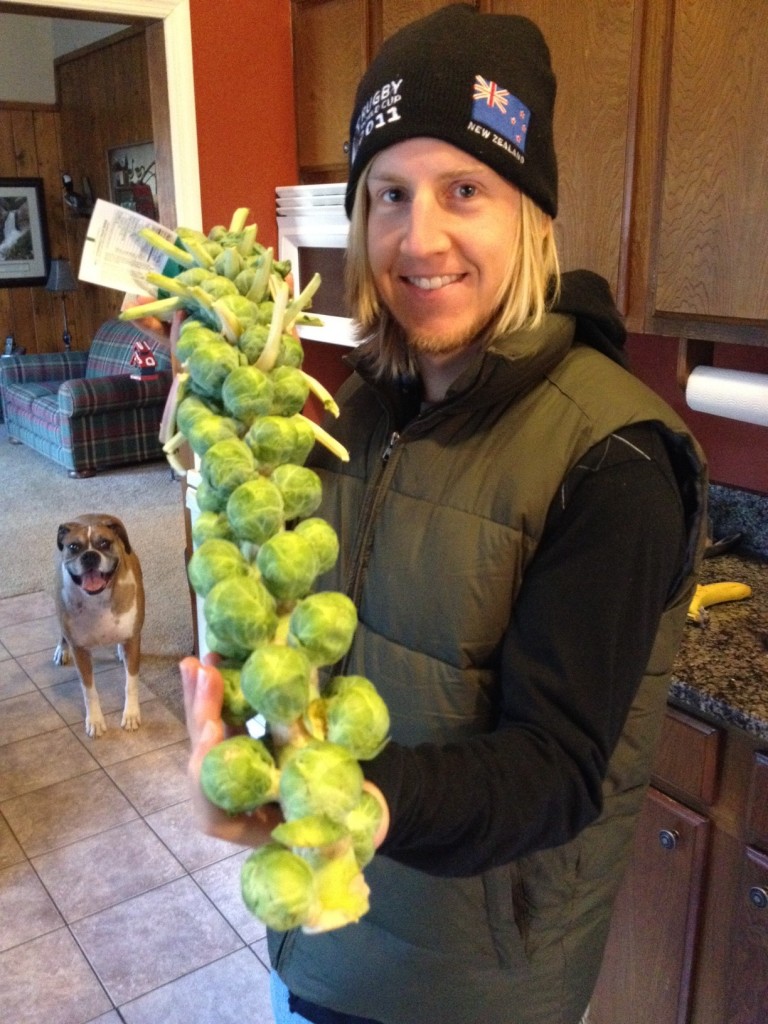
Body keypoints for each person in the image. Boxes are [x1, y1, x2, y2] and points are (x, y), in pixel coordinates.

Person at [181, 5, 708, 1023]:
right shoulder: (360, 419)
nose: (419, 237)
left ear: (533, 215)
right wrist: (255, 745)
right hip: (323, 950)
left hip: (475, 988)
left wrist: (360, 805)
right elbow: (310, 658)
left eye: (463, 189)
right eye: (388, 193)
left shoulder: (615, 460)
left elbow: (555, 770)